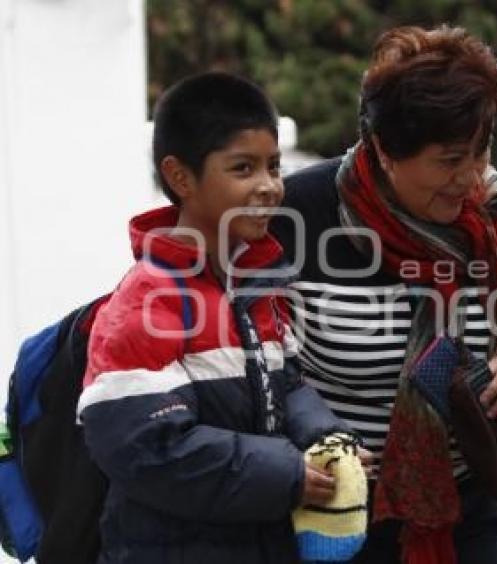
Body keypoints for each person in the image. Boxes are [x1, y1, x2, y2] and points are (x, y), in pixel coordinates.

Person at [270, 25, 497, 564]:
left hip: (471, 504)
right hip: (339, 507)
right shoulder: (295, 215)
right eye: (450, 160)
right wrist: (310, 441)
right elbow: (261, 366)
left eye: (482, 150)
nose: (470, 177)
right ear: (385, 150)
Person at [77, 72, 355, 563]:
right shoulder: (147, 301)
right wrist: (287, 474)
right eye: (243, 168)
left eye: (273, 166)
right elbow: (148, 445)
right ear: (181, 177)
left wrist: (327, 439)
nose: (270, 186)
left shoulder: (257, 287)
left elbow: (288, 386)